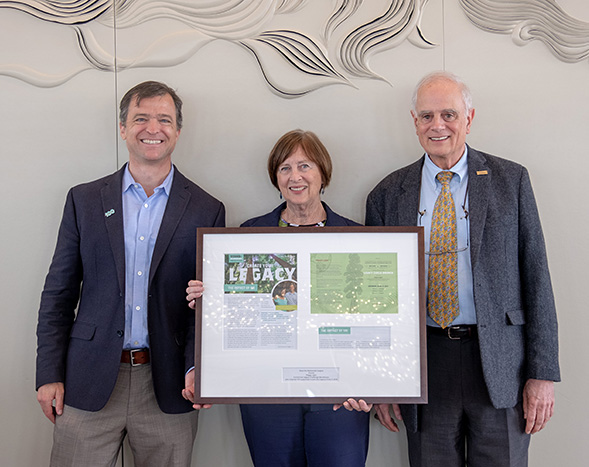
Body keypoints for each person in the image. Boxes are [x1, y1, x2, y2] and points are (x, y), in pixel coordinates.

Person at [348, 71, 560, 467]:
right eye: (427, 116)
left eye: (449, 114)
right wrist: (382, 380)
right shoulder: (387, 194)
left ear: (469, 117)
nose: (438, 125)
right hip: (426, 364)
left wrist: (542, 373)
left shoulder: (510, 180)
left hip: (499, 364)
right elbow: (373, 300)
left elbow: (537, 277)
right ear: (414, 123)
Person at [35, 81, 225, 466]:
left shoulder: (208, 209)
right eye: (141, 118)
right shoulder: (85, 200)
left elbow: (204, 308)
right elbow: (59, 294)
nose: (152, 128)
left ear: (178, 130)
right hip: (88, 379)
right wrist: (48, 373)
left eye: (164, 119)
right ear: (123, 127)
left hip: (169, 383)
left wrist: (195, 369)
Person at [187, 129, 369, 467]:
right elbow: (234, 320)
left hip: (340, 395)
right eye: (284, 168)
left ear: (323, 173)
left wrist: (374, 382)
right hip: (267, 395)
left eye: (305, 166)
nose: (295, 176)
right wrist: (208, 303)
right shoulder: (244, 239)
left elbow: (374, 320)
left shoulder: (358, 238)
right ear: (275, 177)